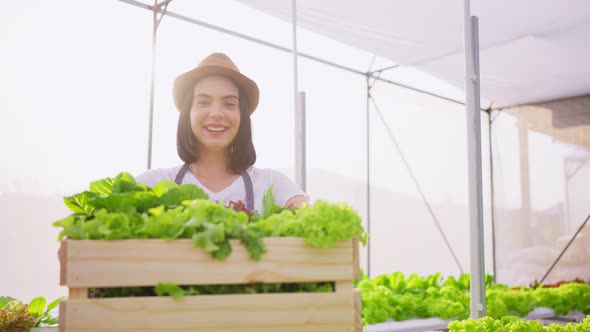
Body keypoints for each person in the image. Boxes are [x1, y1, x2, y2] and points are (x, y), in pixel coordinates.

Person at [136, 52, 308, 211]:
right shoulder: (152, 185)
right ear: (188, 113)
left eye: (229, 104)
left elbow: (317, 227)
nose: (217, 113)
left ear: (242, 116)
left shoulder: (273, 185)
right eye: (204, 102)